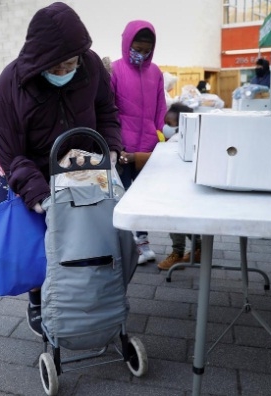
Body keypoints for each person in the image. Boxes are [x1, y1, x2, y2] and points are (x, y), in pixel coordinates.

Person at [0, 2, 122, 337]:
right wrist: (39, 198)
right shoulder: (12, 84)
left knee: (80, 234)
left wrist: (112, 150)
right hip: (25, 167)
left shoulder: (90, 66)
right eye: (59, 65)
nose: (66, 71)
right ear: (42, 59)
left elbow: (106, 111)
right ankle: (37, 297)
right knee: (38, 238)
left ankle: (84, 295)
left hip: (78, 163)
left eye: (72, 63)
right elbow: (11, 154)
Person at [111, 20, 166, 265]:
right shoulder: (114, 70)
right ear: (127, 44)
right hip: (122, 148)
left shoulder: (156, 73)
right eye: (137, 48)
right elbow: (109, 111)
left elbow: (161, 109)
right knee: (122, 197)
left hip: (147, 149)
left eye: (146, 50)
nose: (141, 54)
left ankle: (142, 243)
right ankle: (122, 245)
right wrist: (116, 145)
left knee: (143, 199)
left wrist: (158, 136)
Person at [157, 103, 202, 270]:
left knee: (174, 221)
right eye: (166, 122)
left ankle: (177, 253)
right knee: (185, 221)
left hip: (176, 188)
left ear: (183, 124)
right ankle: (198, 248)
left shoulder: (177, 141)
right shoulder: (186, 137)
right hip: (185, 188)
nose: (166, 127)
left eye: (170, 123)